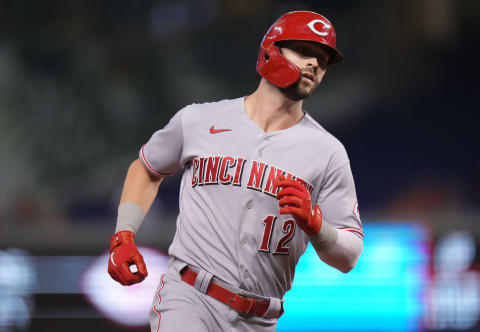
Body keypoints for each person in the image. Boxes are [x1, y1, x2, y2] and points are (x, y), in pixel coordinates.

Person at [108, 10, 364, 332]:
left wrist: (317, 227)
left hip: (259, 318)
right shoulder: (199, 120)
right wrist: (124, 234)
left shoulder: (328, 152)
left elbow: (350, 255)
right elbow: (146, 169)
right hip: (189, 296)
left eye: (322, 59)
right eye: (304, 51)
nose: (314, 63)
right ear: (272, 49)